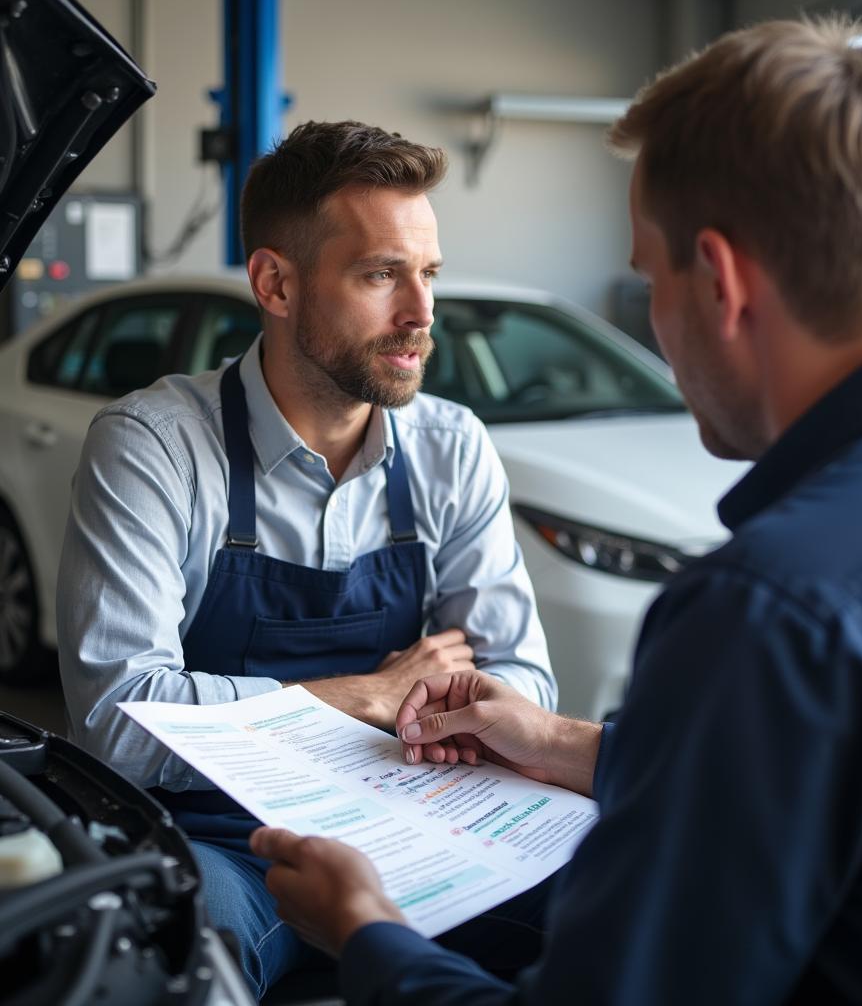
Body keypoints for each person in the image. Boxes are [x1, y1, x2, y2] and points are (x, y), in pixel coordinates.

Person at [249, 18, 862, 1005]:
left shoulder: (768, 611)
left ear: (721, 281)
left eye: (649, 280)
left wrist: (365, 932)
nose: (655, 317)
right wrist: (572, 743)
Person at [56, 120, 556, 998]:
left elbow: (524, 681)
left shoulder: (452, 448)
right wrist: (367, 695)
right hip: (228, 846)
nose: (422, 314)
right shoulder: (153, 446)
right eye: (380, 275)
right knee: (175, 956)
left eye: (428, 274)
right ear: (275, 283)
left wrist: (451, 708)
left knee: (631, 904)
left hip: (422, 824)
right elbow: (122, 720)